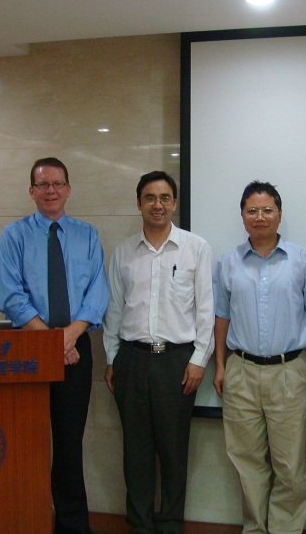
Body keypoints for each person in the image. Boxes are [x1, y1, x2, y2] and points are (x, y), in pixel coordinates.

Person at [0, 157, 108, 534]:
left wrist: (69, 335)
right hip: (28, 348)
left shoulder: (87, 235)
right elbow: (9, 295)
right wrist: (51, 339)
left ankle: (72, 527)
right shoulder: (13, 236)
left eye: (58, 183)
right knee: (27, 443)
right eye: (43, 184)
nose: (51, 190)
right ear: (32, 191)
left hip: (76, 350)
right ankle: (29, 521)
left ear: (68, 189)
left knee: (70, 444)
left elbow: (97, 293)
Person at [213, 180, 306, 534]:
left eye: (267, 210)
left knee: (289, 464)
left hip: (288, 370)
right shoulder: (228, 262)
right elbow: (221, 317)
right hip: (240, 370)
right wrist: (219, 365)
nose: (260, 217)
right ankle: (255, 527)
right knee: (247, 461)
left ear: (280, 215)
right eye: (252, 210)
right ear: (242, 216)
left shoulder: (302, 259)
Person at [103, 171, 214, 534]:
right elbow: (114, 311)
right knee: (135, 450)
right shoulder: (123, 253)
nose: (158, 205)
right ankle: (139, 523)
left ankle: (169, 523)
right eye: (150, 197)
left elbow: (205, 310)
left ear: (174, 203)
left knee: (173, 450)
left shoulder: (196, 248)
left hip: (177, 362)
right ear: (139, 203)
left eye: (165, 198)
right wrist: (112, 359)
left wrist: (199, 360)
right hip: (131, 360)